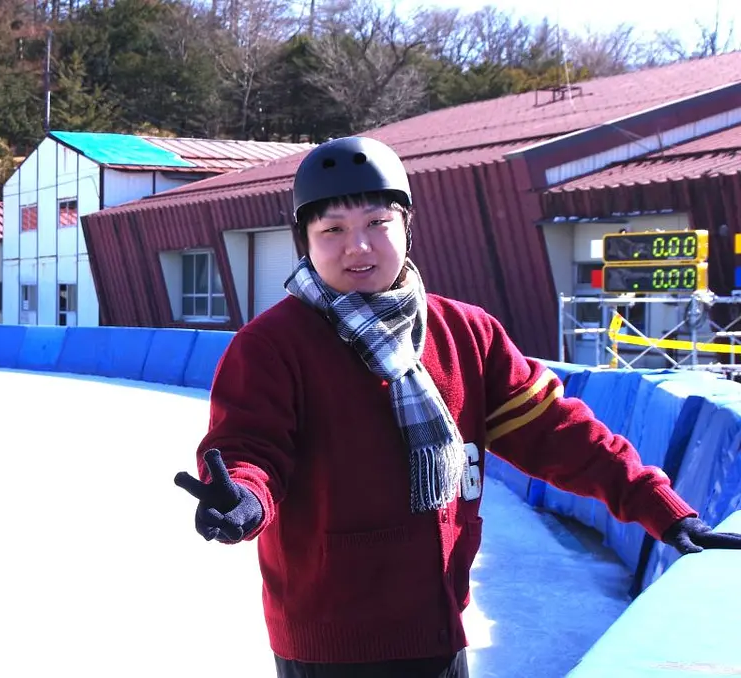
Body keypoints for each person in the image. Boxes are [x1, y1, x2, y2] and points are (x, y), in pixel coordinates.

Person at [173, 137, 741, 678]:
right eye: (333, 230)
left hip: (437, 622)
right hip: (329, 636)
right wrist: (243, 496)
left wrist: (662, 508)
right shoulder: (273, 345)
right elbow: (250, 448)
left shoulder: (466, 333)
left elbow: (559, 433)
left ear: (407, 227)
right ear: (306, 242)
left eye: (377, 223)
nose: (359, 246)